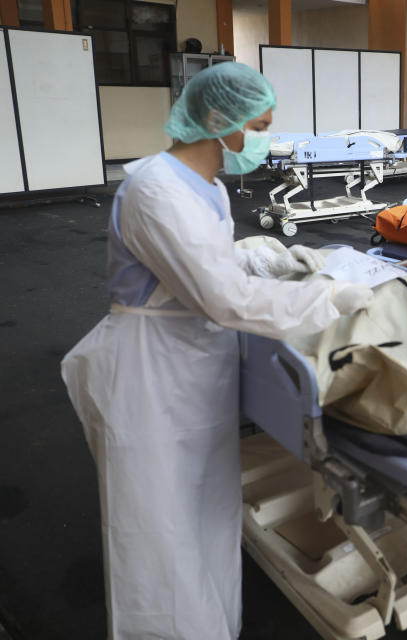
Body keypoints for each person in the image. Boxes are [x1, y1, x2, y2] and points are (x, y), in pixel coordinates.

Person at [60, 62, 371, 639]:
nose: (266, 139)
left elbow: (209, 261)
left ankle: (211, 626)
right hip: (149, 372)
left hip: (193, 362)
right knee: (156, 528)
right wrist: (331, 301)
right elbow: (222, 299)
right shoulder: (154, 189)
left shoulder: (205, 184)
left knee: (206, 509)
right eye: (261, 125)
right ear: (217, 119)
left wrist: (268, 259)